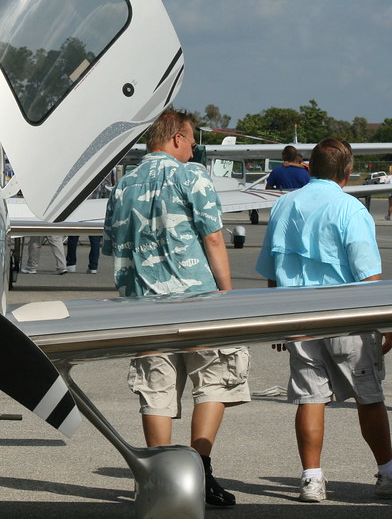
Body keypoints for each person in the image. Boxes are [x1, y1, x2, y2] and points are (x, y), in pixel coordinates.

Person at [103, 109, 249, 507]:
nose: (193, 147)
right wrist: (227, 293)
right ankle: (201, 471)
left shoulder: (123, 183)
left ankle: (157, 480)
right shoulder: (192, 175)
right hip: (197, 299)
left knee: (156, 390)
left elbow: (112, 247)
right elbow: (214, 238)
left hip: (142, 305)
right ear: (178, 139)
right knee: (213, 380)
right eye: (192, 139)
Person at [255, 138, 392, 503]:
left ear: (309, 168)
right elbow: (367, 273)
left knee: (309, 397)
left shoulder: (284, 206)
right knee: (369, 396)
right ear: (347, 173)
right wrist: (384, 324)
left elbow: (272, 265)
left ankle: (312, 479)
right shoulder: (350, 209)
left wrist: (276, 316)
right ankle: (388, 472)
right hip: (346, 314)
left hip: (299, 314)